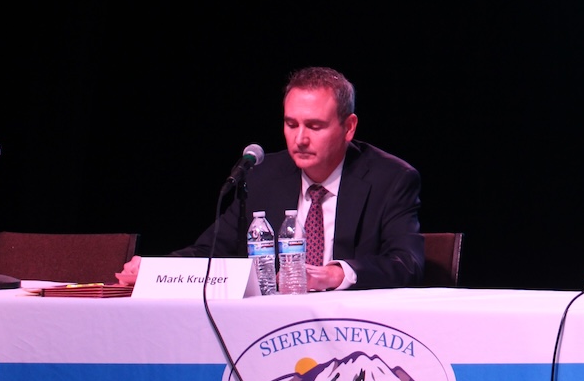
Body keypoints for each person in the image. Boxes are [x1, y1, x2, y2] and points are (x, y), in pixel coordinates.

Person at [117, 67, 423, 290]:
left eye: (314, 126)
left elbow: (406, 263)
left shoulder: (391, 179)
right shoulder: (263, 176)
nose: (300, 139)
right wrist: (157, 269)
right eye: (291, 124)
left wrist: (335, 274)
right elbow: (210, 252)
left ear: (349, 127)